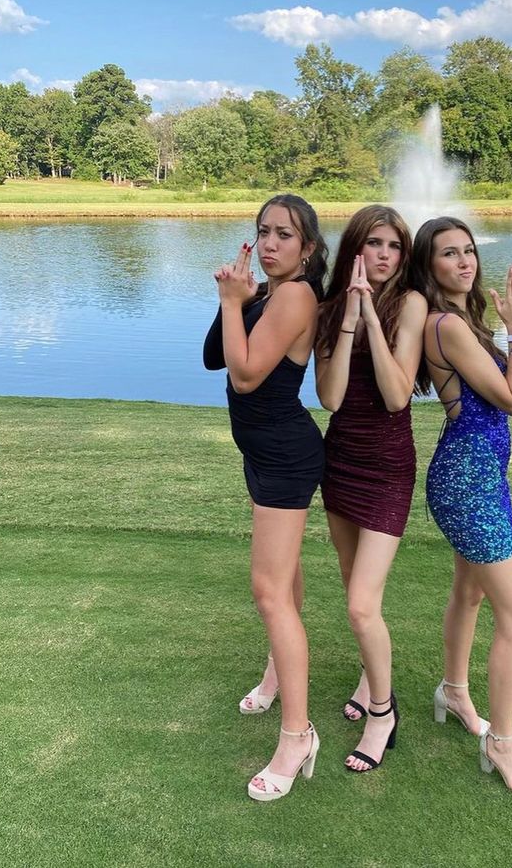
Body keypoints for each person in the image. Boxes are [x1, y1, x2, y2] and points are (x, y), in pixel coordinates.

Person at [410, 216, 512, 798]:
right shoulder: (446, 326)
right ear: (429, 265)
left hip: (484, 475)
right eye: (449, 254)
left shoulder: (471, 322)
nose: (465, 262)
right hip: (468, 482)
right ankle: (503, 742)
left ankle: (455, 691)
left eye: (469, 251)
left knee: (469, 593)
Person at [202, 194, 327, 801]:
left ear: (308, 248)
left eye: (285, 234)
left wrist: (236, 306)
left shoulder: (299, 295)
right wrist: (236, 300)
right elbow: (212, 358)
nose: (271, 243)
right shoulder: (270, 296)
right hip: (262, 452)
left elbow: (246, 374)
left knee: (268, 589)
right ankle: (279, 674)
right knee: (287, 577)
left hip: (284, 456)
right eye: (263, 232)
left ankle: (297, 736)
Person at [315, 205, 428, 772]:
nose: (384, 256)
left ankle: (383, 713)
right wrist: (351, 313)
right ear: (354, 249)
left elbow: (396, 395)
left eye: (394, 247)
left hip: (387, 469)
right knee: (355, 591)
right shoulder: (331, 309)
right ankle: (368, 676)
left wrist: (372, 319)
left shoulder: (410, 304)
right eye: (374, 244)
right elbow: (330, 398)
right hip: (340, 463)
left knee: (362, 606)